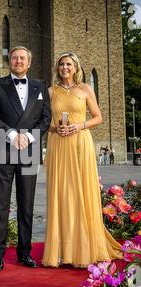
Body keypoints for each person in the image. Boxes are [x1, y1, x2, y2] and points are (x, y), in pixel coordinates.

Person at [42, 51, 122, 268]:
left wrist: (79, 125)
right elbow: (43, 122)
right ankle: (61, 250)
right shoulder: (51, 91)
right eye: (61, 64)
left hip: (80, 144)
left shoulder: (86, 89)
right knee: (61, 194)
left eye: (68, 64)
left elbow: (98, 117)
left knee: (81, 193)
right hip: (58, 144)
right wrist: (54, 128)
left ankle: (85, 248)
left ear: (76, 67)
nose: (64, 68)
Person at [0, 46, 51, 271]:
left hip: (29, 151)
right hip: (3, 149)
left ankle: (25, 253)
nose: (18, 61)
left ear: (29, 62)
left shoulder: (39, 86)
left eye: (22, 58)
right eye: (14, 58)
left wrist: (29, 138)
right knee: (0, 204)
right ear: (10, 61)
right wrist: (13, 134)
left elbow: (46, 118)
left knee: (27, 204)